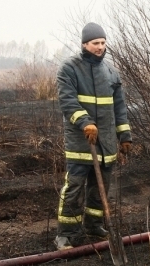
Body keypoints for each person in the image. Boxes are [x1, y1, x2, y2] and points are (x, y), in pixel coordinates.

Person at [53, 22, 132, 250]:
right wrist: (85, 122)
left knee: (100, 189)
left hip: (106, 144)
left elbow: (119, 107)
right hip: (81, 142)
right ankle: (65, 234)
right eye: (95, 43)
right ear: (84, 44)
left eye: (103, 43)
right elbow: (68, 102)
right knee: (75, 187)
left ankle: (94, 226)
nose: (100, 47)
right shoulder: (69, 68)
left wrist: (124, 135)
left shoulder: (111, 72)